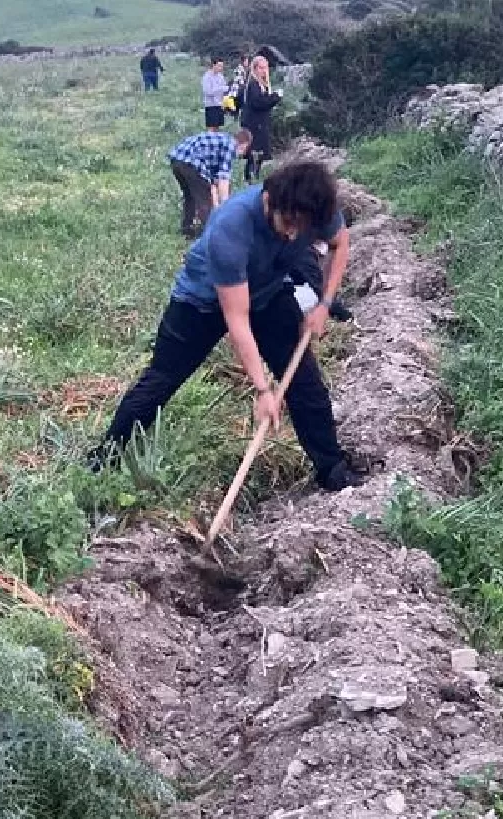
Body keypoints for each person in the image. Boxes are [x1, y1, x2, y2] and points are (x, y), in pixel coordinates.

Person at [88, 162, 368, 492]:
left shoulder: (313, 209)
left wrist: (323, 304)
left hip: (268, 293)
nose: (293, 234)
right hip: (202, 303)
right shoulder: (232, 228)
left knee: (305, 383)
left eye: (302, 228)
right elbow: (236, 318)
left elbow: (340, 243)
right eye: (288, 224)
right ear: (271, 201)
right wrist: (263, 391)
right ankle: (102, 460)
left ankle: (332, 470)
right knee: (160, 382)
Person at [168, 127, 253, 238]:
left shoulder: (221, 142)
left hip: (177, 160)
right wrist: (226, 207)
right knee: (205, 202)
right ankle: (211, 235)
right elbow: (223, 181)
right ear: (244, 144)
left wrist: (217, 203)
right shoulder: (230, 146)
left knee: (190, 196)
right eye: (245, 149)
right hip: (191, 162)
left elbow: (213, 183)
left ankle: (187, 230)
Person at [240, 54, 283, 183]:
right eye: (261, 68)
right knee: (254, 154)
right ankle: (249, 181)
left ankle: (253, 179)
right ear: (255, 68)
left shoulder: (262, 84)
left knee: (258, 155)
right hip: (254, 125)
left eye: (265, 68)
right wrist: (275, 97)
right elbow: (259, 103)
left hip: (260, 124)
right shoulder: (253, 84)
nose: (264, 71)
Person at [201, 58, 229, 131]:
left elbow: (225, 89)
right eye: (219, 66)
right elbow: (207, 91)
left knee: (218, 127)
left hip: (220, 104)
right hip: (211, 105)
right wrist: (220, 89)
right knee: (211, 127)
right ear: (214, 65)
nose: (221, 68)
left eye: (222, 66)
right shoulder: (207, 77)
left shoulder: (221, 76)